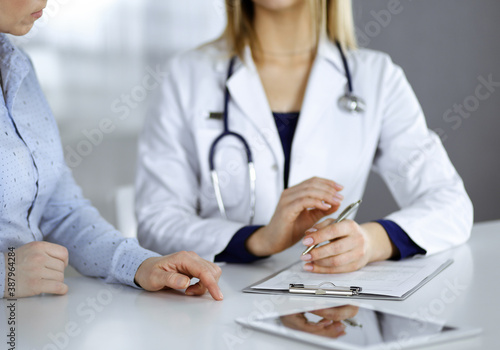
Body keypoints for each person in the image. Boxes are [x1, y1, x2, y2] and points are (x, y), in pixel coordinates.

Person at [135, 0, 473, 273]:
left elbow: (451, 204)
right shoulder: (188, 75)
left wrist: (371, 242)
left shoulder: (375, 77)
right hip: (218, 300)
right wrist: (259, 240)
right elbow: (156, 220)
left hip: (329, 304)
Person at [0, 0, 223, 301]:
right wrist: (7, 274)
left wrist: (142, 265)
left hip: (29, 327)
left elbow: (62, 212)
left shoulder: (18, 66)